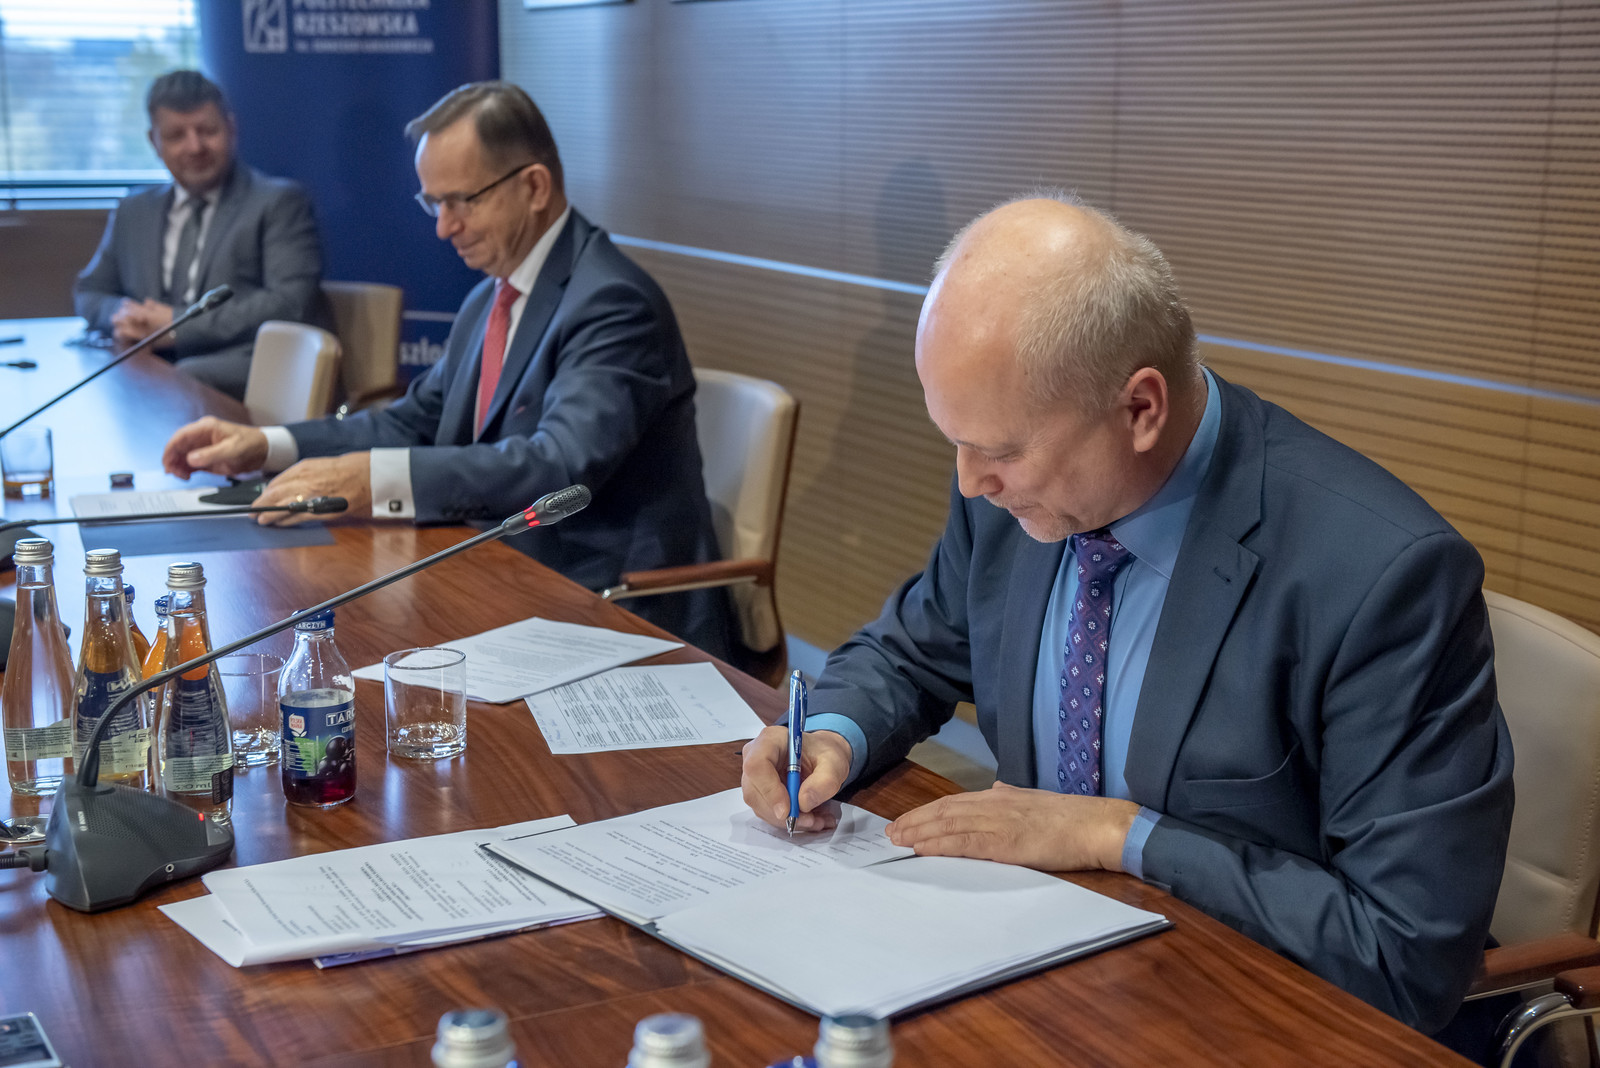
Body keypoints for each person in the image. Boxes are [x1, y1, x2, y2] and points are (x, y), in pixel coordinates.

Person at [740, 193, 1514, 1047]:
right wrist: (833, 735)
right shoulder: (1014, 499)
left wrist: (1116, 833)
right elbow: (912, 651)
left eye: (999, 450)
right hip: (1036, 970)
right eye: (956, 442)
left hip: (1247, 1014)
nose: (969, 482)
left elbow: (1404, 954)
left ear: (1141, 408)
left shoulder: (1379, 579)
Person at [160, 81, 731, 659]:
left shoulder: (612, 301)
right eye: (434, 203)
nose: (443, 227)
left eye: (462, 200)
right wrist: (266, 445)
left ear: (535, 187)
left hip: (611, 604)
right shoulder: (491, 298)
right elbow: (412, 421)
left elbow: (558, 466)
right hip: (505, 575)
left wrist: (373, 481)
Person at [74, 70, 328, 400]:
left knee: (182, 378)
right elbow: (90, 291)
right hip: (151, 371)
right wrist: (129, 317)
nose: (195, 147)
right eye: (176, 135)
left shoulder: (278, 202)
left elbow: (290, 303)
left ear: (232, 128)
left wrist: (177, 325)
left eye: (207, 131)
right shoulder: (133, 210)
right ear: (154, 141)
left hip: (240, 365)